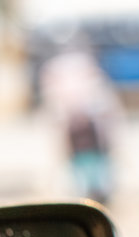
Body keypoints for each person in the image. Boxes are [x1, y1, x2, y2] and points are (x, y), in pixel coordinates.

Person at [39, 49, 120, 204]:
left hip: (94, 150)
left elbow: (110, 125)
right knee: (83, 183)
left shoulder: (97, 106)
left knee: (98, 180)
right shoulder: (64, 111)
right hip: (79, 152)